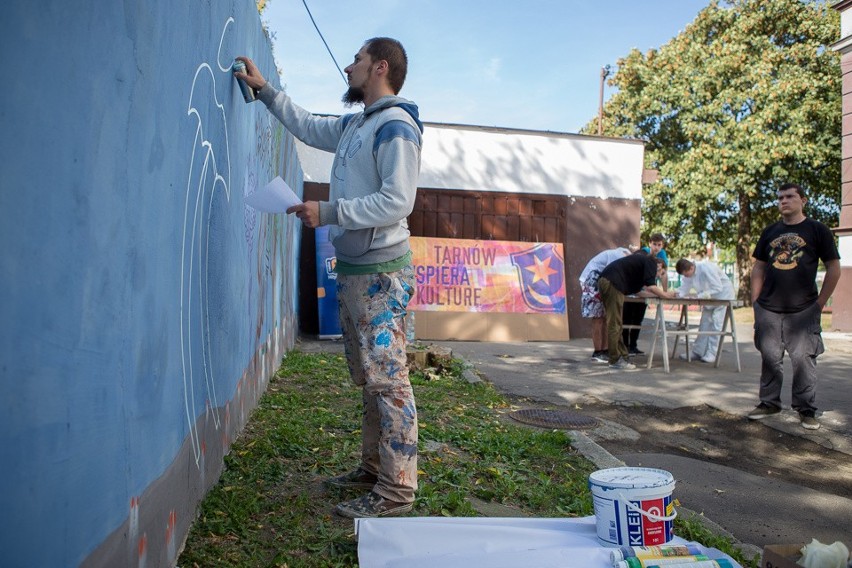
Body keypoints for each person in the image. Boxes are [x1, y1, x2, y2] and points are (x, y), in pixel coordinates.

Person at [235, 37, 423, 517]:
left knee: (389, 382)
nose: (348, 66)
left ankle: (397, 491)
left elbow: (398, 201)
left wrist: (330, 209)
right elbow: (310, 126)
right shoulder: (359, 124)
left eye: (357, 59)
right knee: (370, 379)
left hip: (382, 274)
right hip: (359, 270)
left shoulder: (396, 126)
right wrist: (266, 92)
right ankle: (373, 469)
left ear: (380, 66)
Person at [747, 183, 841, 431]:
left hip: (804, 308)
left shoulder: (817, 230)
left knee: (803, 360)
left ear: (803, 200)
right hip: (768, 307)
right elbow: (759, 267)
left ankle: (806, 409)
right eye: (780, 198)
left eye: (789, 196)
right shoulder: (770, 231)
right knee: (769, 358)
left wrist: (820, 303)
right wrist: (756, 301)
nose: (783, 201)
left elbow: (833, 266)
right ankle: (769, 403)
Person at [598, 251, 676, 369]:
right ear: (659, 266)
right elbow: (651, 287)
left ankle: (621, 357)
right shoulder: (651, 262)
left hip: (609, 282)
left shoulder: (641, 270)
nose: (659, 276)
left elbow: (640, 292)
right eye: (662, 273)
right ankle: (615, 360)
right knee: (615, 323)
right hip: (612, 283)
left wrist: (658, 295)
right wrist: (665, 295)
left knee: (617, 323)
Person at [674, 258, 735, 363]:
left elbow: (718, 287)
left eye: (686, 274)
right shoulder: (689, 272)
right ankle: (698, 351)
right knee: (704, 323)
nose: (686, 276)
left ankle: (712, 353)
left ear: (692, 267)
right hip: (709, 297)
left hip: (723, 295)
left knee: (716, 324)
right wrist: (677, 294)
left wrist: (699, 296)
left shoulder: (706, 268)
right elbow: (685, 287)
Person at [579, 247, 631, 363]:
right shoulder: (618, 256)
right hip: (591, 281)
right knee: (598, 318)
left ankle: (606, 350)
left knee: (607, 317)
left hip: (599, 281)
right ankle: (598, 352)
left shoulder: (619, 254)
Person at [625, 233, 670, 355]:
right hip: (634, 287)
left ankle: (633, 346)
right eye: (654, 244)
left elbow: (664, 273)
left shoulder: (662, 255)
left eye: (659, 245)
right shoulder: (643, 252)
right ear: (649, 243)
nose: (656, 247)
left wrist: (664, 293)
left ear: (662, 245)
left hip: (649, 288)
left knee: (638, 319)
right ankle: (624, 346)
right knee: (627, 318)